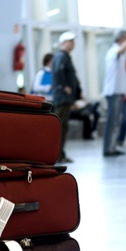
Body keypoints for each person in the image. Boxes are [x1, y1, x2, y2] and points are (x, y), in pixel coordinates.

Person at [102, 29, 126, 157]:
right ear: (121, 39)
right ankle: (108, 148)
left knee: (115, 122)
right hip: (113, 91)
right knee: (112, 121)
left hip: (118, 91)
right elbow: (121, 49)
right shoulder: (113, 51)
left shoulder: (119, 52)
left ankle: (112, 147)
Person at [52, 32, 79, 163]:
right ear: (63, 43)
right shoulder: (61, 56)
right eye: (70, 41)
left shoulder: (66, 57)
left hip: (66, 98)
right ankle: (58, 154)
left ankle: (60, 153)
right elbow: (58, 71)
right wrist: (64, 86)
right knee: (60, 127)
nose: (73, 43)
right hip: (62, 98)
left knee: (63, 126)